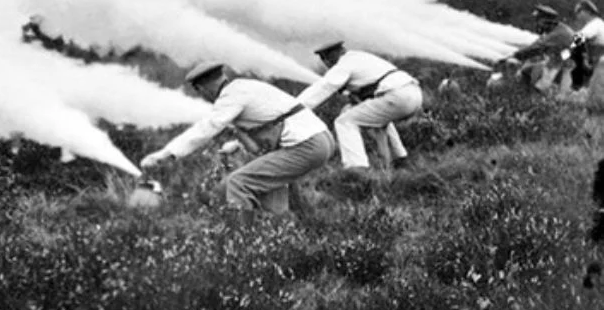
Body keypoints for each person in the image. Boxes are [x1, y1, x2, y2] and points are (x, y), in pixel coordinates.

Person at [140, 62, 334, 223]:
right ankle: (296, 228)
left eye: (200, 91)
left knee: (238, 183)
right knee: (272, 190)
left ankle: (242, 245)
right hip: (320, 139)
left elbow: (207, 127)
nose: (204, 97)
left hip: (306, 145)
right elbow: (268, 121)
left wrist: (166, 153)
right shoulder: (244, 86)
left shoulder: (230, 97)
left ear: (204, 88)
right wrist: (238, 144)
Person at [297, 41, 422, 170]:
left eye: (324, 58)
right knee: (377, 117)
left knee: (344, 121)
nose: (326, 63)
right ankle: (400, 157)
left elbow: (324, 87)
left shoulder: (344, 64)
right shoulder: (360, 57)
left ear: (330, 56)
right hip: (413, 92)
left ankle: (356, 168)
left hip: (397, 96)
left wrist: (294, 108)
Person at [506, 4, 574, 93]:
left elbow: (537, 48)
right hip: (559, 60)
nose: (537, 23)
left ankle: (541, 93)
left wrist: (515, 55)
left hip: (567, 65)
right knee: (527, 70)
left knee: (541, 87)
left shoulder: (557, 34)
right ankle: (526, 92)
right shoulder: (554, 29)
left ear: (546, 21)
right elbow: (537, 44)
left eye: (538, 20)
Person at [570, 0, 604, 90]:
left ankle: (576, 87)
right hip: (596, 57)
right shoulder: (596, 23)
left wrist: (568, 49)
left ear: (587, 12)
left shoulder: (595, 24)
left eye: (579, 12)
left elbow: (579, 37)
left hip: (598, 58)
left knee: (573, 55)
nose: (577, 15)